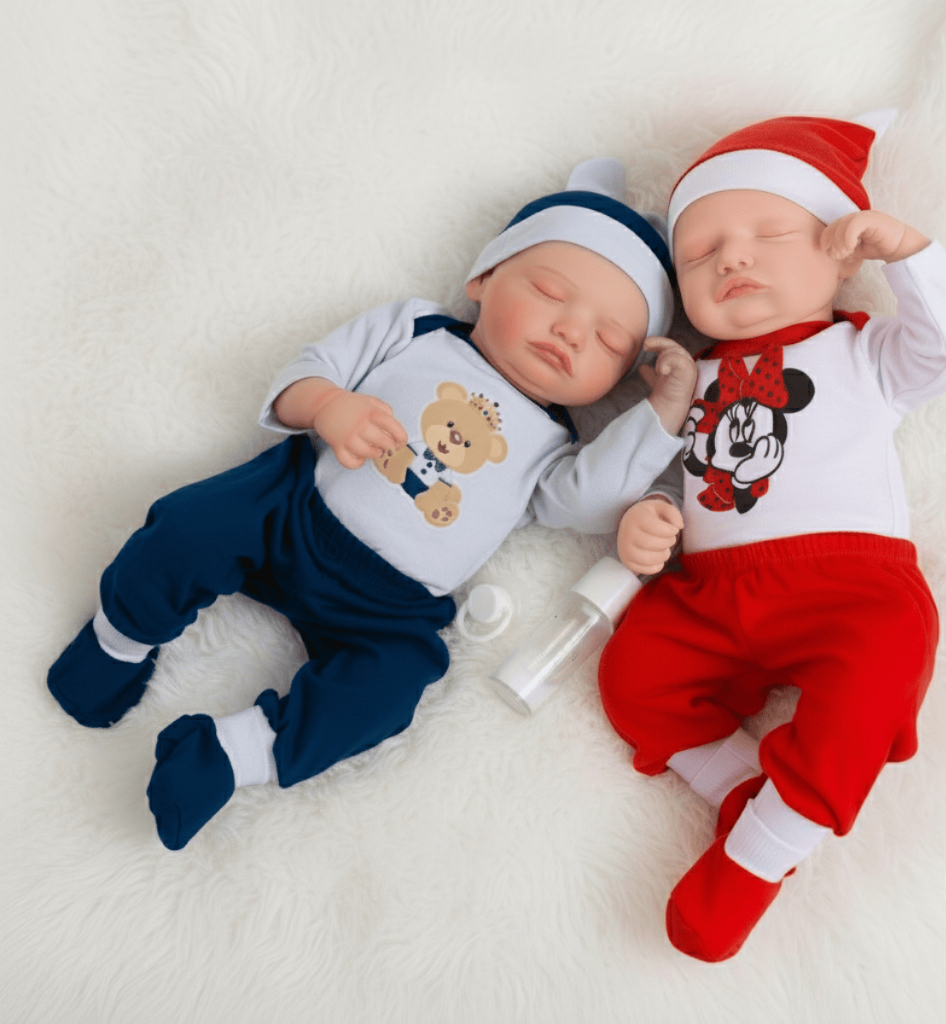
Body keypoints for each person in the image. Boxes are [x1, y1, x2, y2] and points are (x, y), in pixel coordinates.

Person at [47, 158, 698, 851]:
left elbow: (590, 501)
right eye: (549, 291)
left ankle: (234, 754)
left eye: (608, 340)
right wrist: (327, 405)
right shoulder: (416, 329)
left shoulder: (553, 443)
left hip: (393, 607)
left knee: (389, 693)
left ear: (614, 382)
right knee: (187, 528)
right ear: (483, 278)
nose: (571, 331)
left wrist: (665, 407)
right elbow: (307, 373)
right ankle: (119, 641)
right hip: (291, 510)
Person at [597, 115, 946, 961]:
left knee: (885, 665)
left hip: (847, 584)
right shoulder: (684, 379)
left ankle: (761, 856)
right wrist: (642, 519)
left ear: (842, 255)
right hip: (710, 592)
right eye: (700, 253)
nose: (731, 258)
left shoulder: (862, 352)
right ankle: (748, 795)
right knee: (632, 675)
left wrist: (907, 254)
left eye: (769, 235)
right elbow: (670, 475)